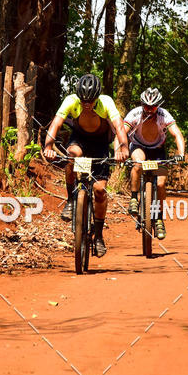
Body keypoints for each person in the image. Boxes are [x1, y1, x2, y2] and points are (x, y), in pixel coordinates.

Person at [43, 73, 129, 257]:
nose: (86, 103)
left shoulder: (106, 102)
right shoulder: (71, 101)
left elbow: (119, 127)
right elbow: (56, 124)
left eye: (90, 100)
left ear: (97, 97)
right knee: (72, 154)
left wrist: (123, 147)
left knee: (99, 191)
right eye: (83, 100)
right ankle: (71, 201)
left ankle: (98, 236)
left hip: (100, 144)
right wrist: (48, 146)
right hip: (79, 140)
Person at [124, 87, 185, 240]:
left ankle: (158, 218)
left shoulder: (164, 115)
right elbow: (121, 132)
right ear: (141, 104)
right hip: (138, 146)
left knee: (161, 184)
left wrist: (181, 153)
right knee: (138, 164)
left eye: (153, 107)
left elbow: (177, 134)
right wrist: (120, 150)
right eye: (146, 106)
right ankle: (133, 197)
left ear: (158, 106)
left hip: (158, 150)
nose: (149, 110)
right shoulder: (135, 114)